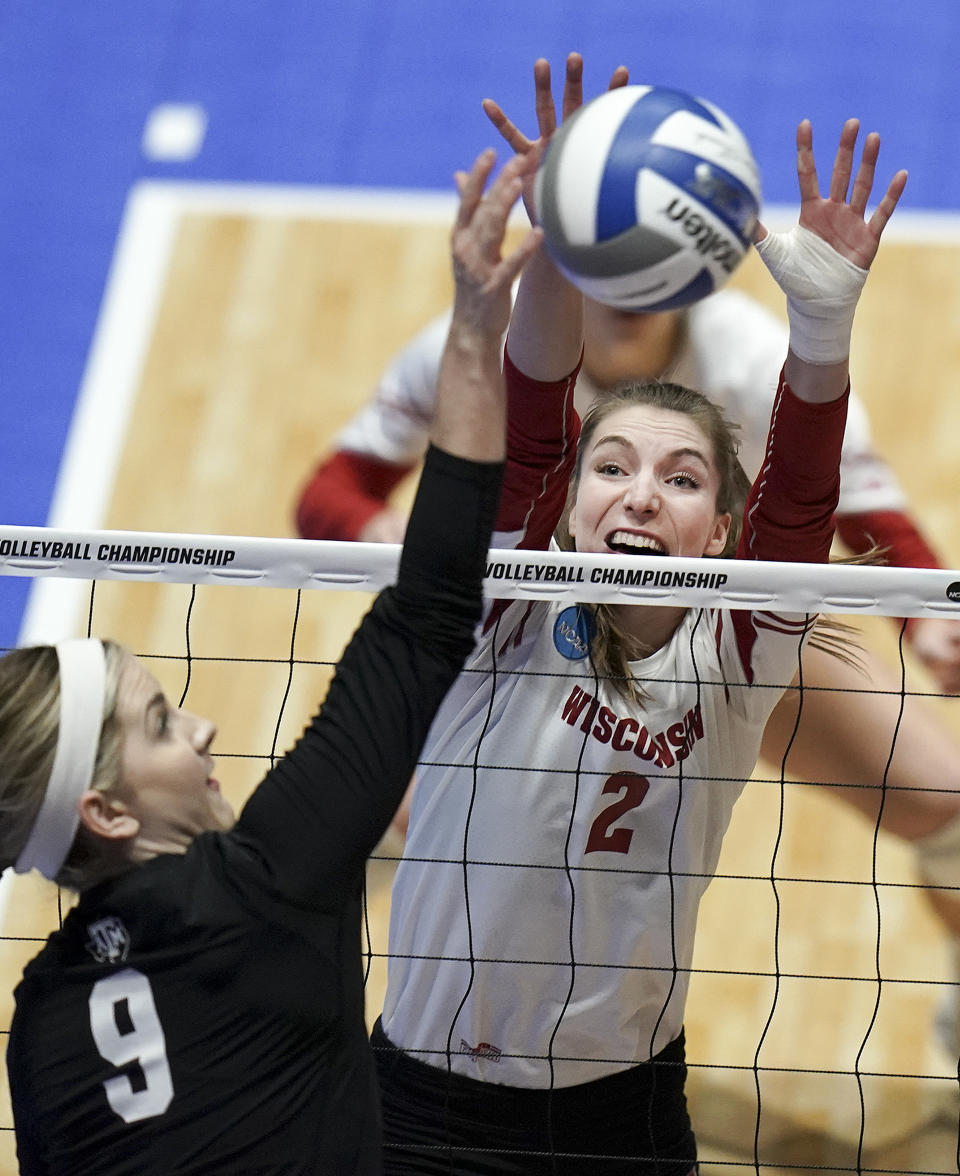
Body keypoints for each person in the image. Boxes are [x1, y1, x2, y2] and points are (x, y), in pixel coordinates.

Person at [296, 57, 960, 968]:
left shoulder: (753, 356)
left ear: (685, 275)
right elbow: (329, 491)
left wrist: (929, 621)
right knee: (400, 819)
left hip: (729, 644)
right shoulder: (478, 348)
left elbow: (858, 505)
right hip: (523, 636)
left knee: (953, 812)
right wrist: (400, 542)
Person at [371, 73, 907, 1174]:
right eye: (611, 465)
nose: (641, 491)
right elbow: (530, 426)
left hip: (618, 1122)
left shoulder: (740, 652)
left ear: (719, 531)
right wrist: (568, 235)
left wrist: (823, 327)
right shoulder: (513, 603)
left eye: (682, 475)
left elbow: (803, 503)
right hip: (420, 1106)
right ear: (570, 509)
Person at [1, 147, 542, 1176]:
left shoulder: (37, 1023)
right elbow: (427, 613)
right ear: (105, 812)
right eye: (160, 724)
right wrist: (475, 324)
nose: (200, 727)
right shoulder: (266, 884)